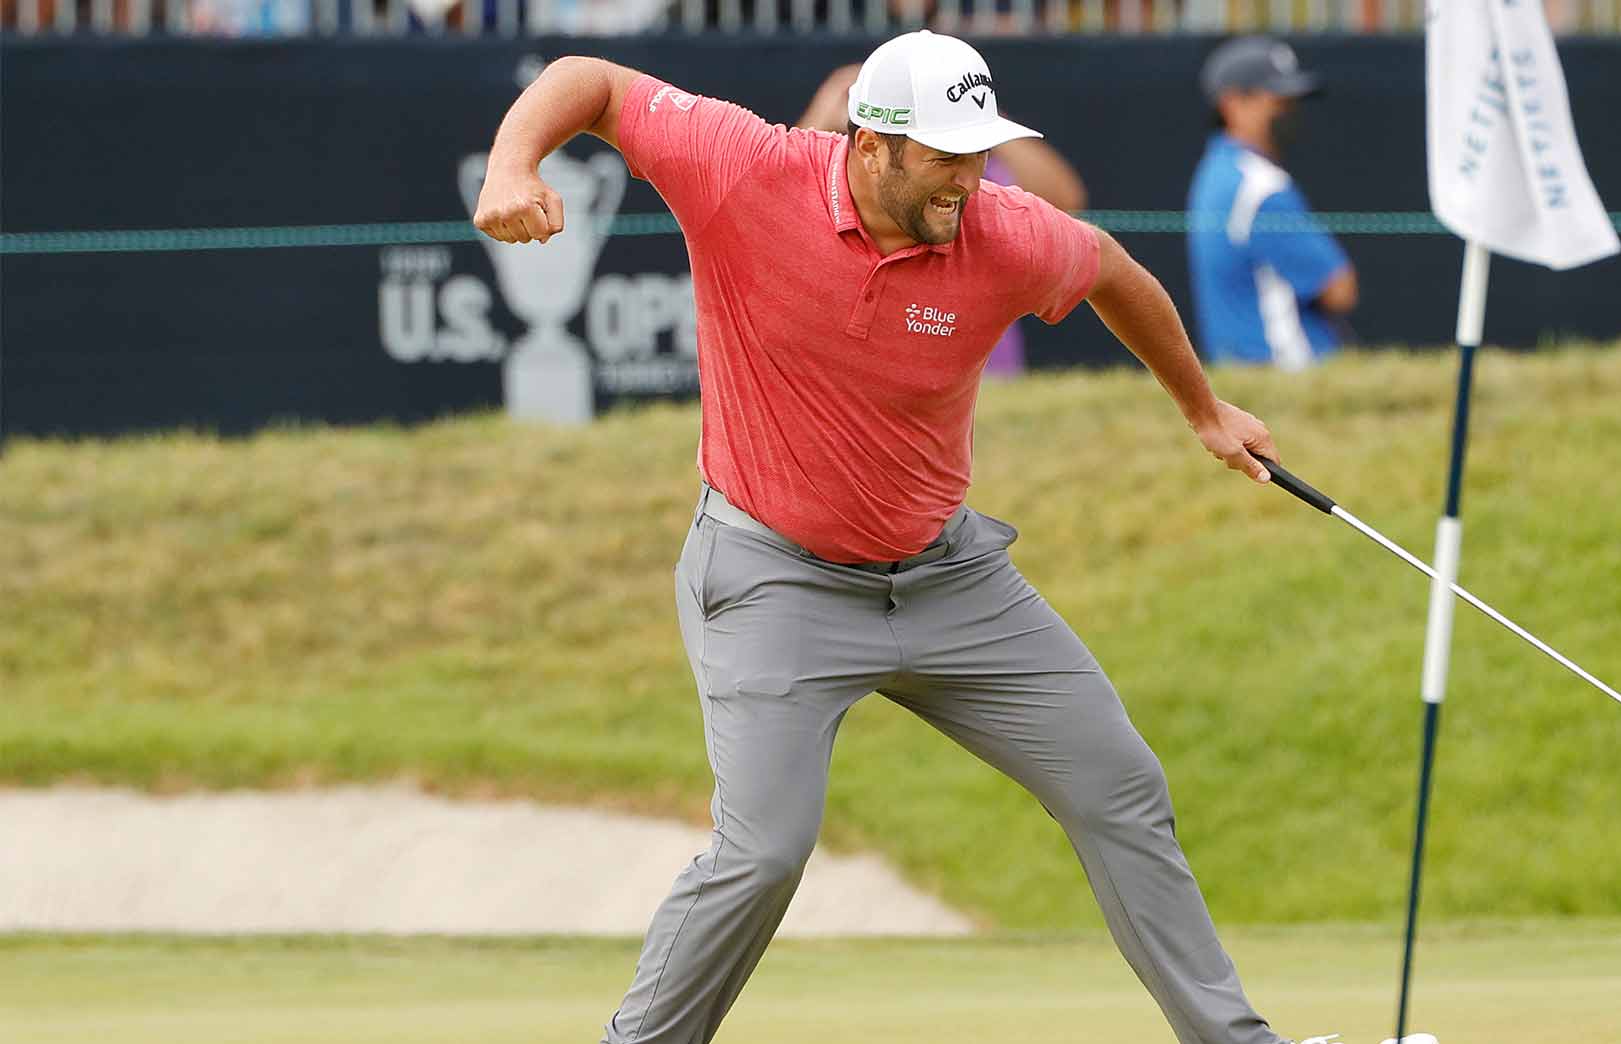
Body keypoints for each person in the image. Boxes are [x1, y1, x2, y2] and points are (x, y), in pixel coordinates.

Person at [473, 28, 1433, 1044]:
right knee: (762, 853)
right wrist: (510, 164)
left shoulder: (1003, 230)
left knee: (1119, 784)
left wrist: (1201, 409)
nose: (969, 179)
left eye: (980, 151)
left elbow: (1111, 270)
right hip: (773, 580)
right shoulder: (747, 167)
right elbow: (590, 80)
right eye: (944, 153)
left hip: (948, 581)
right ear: (873, 140)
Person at [796, 62, 1088, 378]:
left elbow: (1066, 200)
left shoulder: (976, 176)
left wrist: (977, 116)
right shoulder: (833, 179)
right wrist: (829, 108)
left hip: (989, 380)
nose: (966, 178)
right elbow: (793, 191)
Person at [1187, 37, 1358, 371]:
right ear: (1233, 103)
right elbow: (1339, 290)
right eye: (1277, 101)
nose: (1288, 112)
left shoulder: (1215, 171)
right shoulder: (1261, 186)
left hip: (1240, 370)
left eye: (1292, 101)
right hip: (1289, 369)